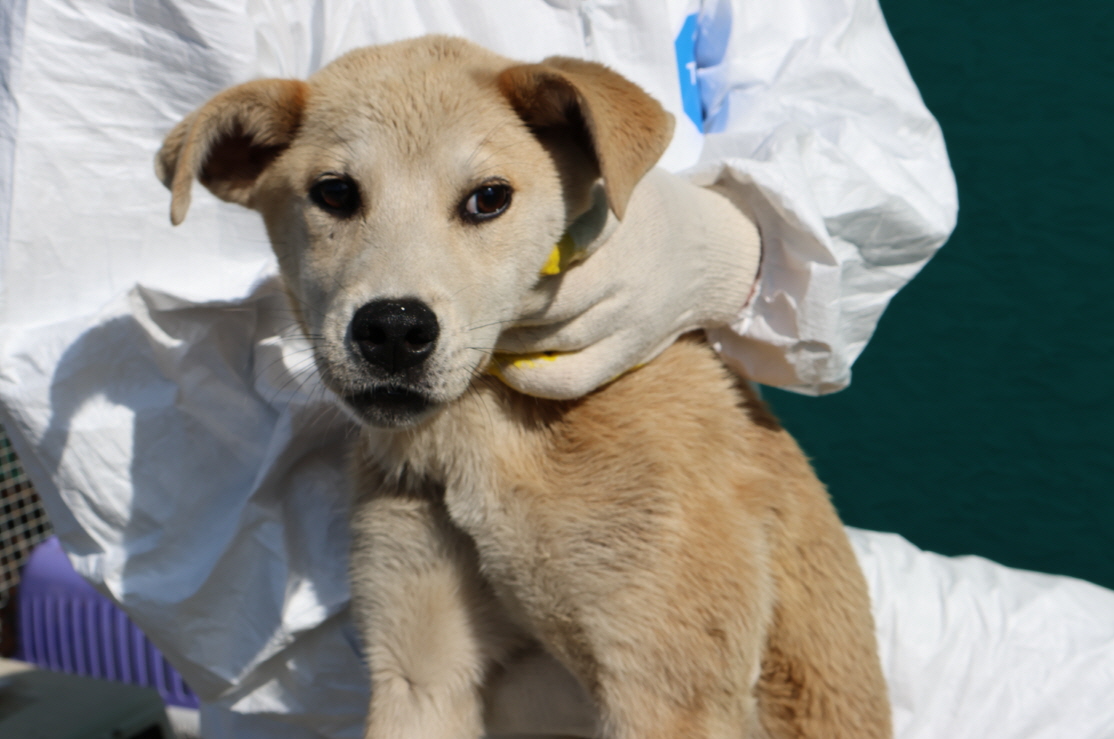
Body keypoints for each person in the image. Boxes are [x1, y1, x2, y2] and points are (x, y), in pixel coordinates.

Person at [0, 1, 957, 736]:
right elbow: (415, 691)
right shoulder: (385, 445)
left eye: (486, 198)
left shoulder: (645, 432)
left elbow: (853, 112)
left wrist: (733, 242)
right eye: (338, 194)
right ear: (244, 168)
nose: (397, 295)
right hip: (296, 605)